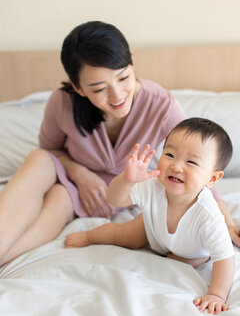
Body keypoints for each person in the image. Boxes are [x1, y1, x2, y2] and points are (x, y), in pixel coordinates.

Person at [0, 21, 238, 267]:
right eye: (99, 88)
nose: (117, 96)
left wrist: (226, 222)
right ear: (78, 87)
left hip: (97, 195)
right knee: (38, 158)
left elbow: (199, 165)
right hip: (69, 176)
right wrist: (80, 174)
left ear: (132, 62)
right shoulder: (62, 102)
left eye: (123, 77)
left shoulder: (160, 105)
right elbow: (50, 149)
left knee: (59, 197)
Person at [65, 117, 235, 315]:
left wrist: (216, 294)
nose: (177, 166)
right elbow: (115, 199)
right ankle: (89, 236)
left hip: (190, 251)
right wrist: (127, 180)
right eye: (170, 154)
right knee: (121, 234)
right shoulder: (154, 185)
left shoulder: (208, 215)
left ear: (212, 178)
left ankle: (176, 256)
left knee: (184, 261)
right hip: (152, 229)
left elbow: (224, 258)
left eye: (191, 161)